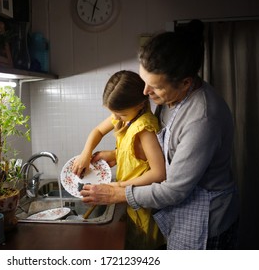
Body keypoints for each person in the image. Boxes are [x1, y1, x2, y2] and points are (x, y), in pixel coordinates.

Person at [80, 20, 239, 250]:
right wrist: (119, 153)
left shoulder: (202, 120)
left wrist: (117, 193)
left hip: (205, 219)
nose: (145, 92)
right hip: (180, 211)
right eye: (144, 81)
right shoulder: (169, 97)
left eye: (154, 87)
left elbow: (173, 190)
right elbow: (165, 152)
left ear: (185, 83)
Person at [72, 70, 166, 249]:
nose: (115, 119)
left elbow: (159, 172)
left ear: (139, 105)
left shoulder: (144, 128)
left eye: (120, 114)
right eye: (112, 113)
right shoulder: (126, 116)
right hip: (129, 200)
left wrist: (120, 186)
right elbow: (98, 131)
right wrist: (86, 153)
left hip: (143, 207)